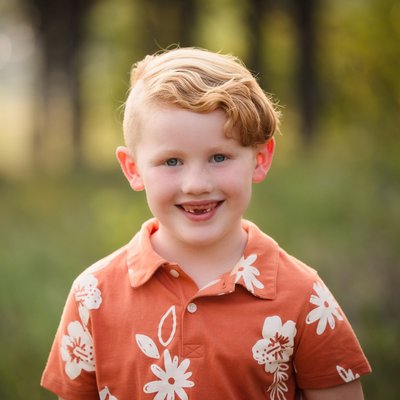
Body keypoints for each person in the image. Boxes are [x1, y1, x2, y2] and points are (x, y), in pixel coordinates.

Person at [41, 47, 371, 400]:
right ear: (133, 169)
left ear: (260, 159)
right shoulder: (93, 295)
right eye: (172, 161)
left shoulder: (303, 296)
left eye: (219, 157)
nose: (196, 184)